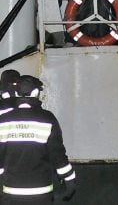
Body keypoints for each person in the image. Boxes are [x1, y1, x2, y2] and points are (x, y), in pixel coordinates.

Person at [0, 75, 77, 204]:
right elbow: (58, 155)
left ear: (17, 93)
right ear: (36, 93)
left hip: (11, 193)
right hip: (41, 194)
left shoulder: (3, 121)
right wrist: (69, 180)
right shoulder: (47, 119)